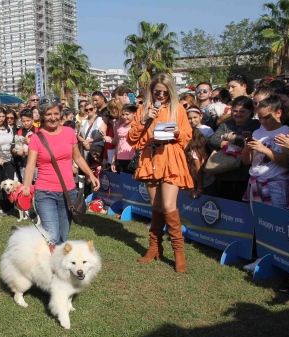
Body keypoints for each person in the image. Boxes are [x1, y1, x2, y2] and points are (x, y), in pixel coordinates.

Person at [127, 73, 193, 273]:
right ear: (151, 91)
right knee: (156, 206)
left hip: (171, 157)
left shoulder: (178, 109)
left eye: (165, 92)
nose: (161, 95)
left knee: (168, 205)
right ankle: (155, 247)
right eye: (157, 92)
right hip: (150, 158)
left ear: (170, 91)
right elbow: (131, 139)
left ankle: (178, 251)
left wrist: (175, 133)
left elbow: (187, 136)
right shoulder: (143, 109)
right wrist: (145, 120)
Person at [21, 103, 99, 248]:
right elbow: (30, 165)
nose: (53, 117)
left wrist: (91, 175)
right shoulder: (37, 138)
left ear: (61, 114)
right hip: (45, 192)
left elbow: (78, 158)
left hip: (68, 192)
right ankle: (49, 268)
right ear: (43, 116)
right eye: (48, 114)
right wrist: (26, 186)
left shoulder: (69, 133)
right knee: (52, 236)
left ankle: (57, 267)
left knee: (63, 236)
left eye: (56, 113)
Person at [241, 95, 289, 208]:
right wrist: (247, 149)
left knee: (276, 222)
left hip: (276, 184)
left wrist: (264, 149)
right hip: (255, 182)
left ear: (278, 113)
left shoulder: (287, 132)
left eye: (266, 117)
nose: (262, 121)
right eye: (260, 118)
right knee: (256, 220)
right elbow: (247, 161)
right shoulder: (256, 133)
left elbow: (288, 162)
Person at [208, 96, 260, 201]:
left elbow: (252, 142)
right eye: (235, 111)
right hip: (223, 172)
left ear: (250, 112)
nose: (238, 114)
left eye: (242, 111)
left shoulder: (256, 125)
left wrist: (234, 139)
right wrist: (225, 143)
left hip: (243, 174)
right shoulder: (226, 124)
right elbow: (213, 139)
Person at [111, 104, 136, 173]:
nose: (124, 117)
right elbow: (118, 143)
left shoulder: (136, 126)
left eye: (127, 114)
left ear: (134, 114)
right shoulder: (120, 126)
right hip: (120, 158)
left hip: (132, 159)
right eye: (123, 114)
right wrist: (113, 160)